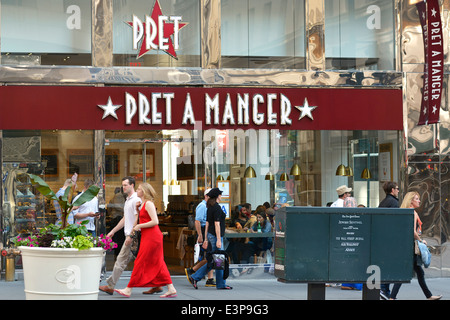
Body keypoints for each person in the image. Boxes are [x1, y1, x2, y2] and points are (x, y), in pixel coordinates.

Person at [114, 183, 177, 298]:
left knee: (141, 261)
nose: (137, 191)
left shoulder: (149, 204)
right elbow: (144, 218)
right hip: (149, 236)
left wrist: (139, 226)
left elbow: (155, 221)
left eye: (138, 189)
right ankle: (171, 288)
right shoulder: (143, 204)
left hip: (152, 237)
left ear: (144, 191)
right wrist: (138, 211)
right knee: (158, 262)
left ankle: (128, 289)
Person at [389, 191, 442, 300]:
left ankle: (428, 296)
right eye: (417, 199)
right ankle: (392, 297)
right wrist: (421, 240)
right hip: (411, 247)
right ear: (411, 201)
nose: (419, 201)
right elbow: (412, 231)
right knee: (406, 272)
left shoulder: (406, 212)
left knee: (417, 272)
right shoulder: (412, 212)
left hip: (407, 246)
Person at [99, 176, 143, 295]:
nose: (123, 187)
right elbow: (125, 219)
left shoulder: (135, 200)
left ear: (132, 185)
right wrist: (113, 231)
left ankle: (110, 285)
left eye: (125, 185)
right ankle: (159, 285)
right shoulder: (128, 200)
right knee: (144, 262)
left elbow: (136, 219)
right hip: (130, 235)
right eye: (122, 185)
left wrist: (131, 236)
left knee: (120, 260)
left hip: (133, 236)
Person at [189, 187, 232, 290]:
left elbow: (207, 224)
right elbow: (217, 224)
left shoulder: (209, 207)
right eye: (220, 195)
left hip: (210, 235)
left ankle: (196, 277)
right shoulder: (216, 207)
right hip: (216, 236)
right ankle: (220, 283)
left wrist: (206, 238)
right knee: (218, 260)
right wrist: (218, 239)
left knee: (214, 260)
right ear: (217, 196)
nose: (221, 196)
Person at [185, 188, 215, 287]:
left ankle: (209, 278)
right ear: (206, 196)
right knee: (207, 256)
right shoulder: (202, 206)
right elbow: (197, 221)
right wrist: (200, 235)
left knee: (209, 256)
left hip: (206, 231)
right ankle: (193, 270)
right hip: (202, 231)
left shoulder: (208, 206)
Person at [378, 181, 400, 299]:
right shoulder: (394, 202)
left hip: (382, 237)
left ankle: (384, 289)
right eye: (397, 189)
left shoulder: (383, 202)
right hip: (390, 238)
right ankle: (384, 289)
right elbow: (394, 222)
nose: (398, 190)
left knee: (385, 263)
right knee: (390, 264)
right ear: (392, 190)